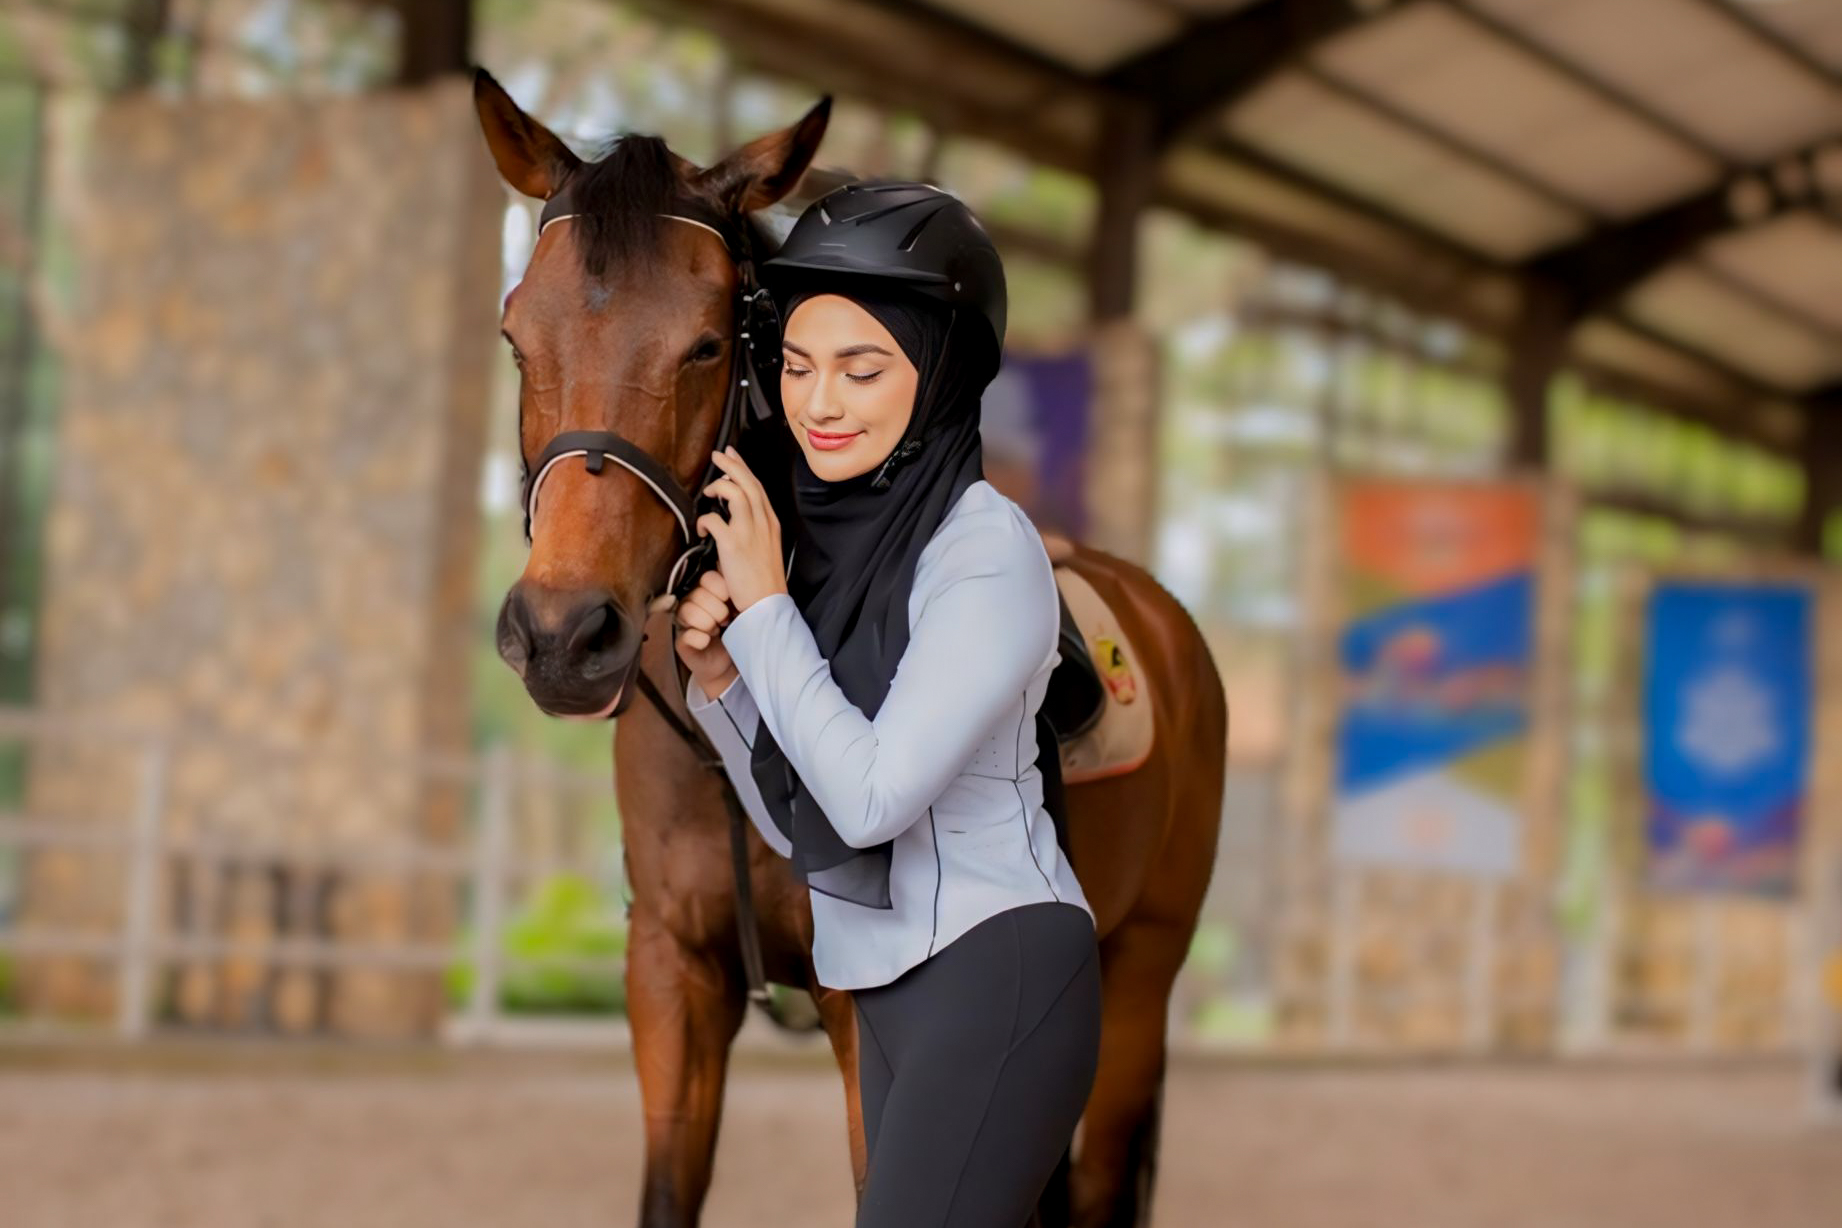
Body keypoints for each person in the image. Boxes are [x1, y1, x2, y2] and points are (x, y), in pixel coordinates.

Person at [671, 180, 1101, 1228]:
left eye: (863, 371)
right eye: (799, 367)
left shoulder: (983, 550)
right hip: (888, 981)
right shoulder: (833, 560)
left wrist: (767, 609)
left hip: (995, 965)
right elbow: (803, 826)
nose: (820, 404)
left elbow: (870, 801)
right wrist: (726, 685)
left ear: (941, 375)